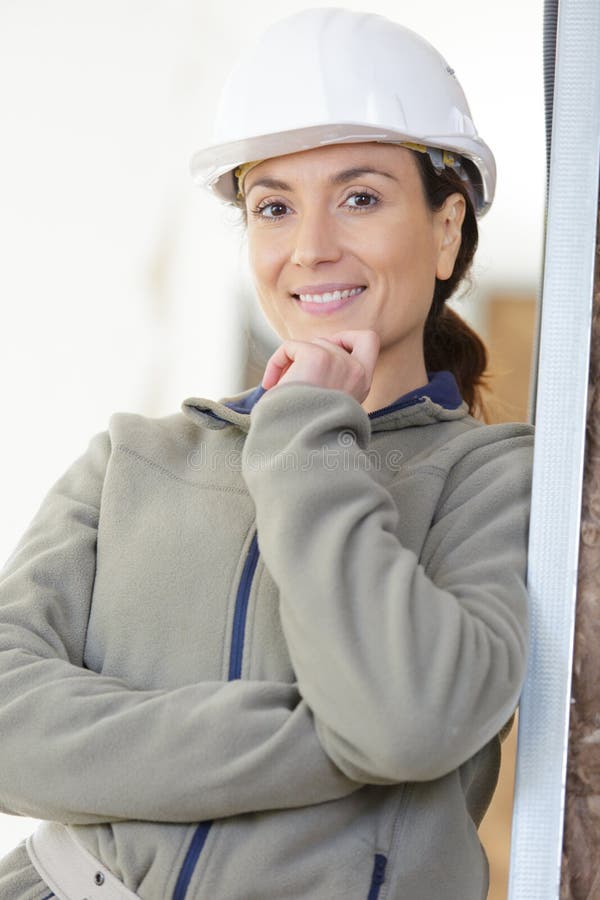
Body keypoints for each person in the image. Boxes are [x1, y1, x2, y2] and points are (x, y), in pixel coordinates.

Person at [0, 8, 533, 900]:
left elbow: (403, 722)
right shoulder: (133, 458)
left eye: (360, 197)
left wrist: (305, 434)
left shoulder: (503, 481)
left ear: (446, 231)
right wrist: (327, 741)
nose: (311, 247)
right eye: (274, 206)